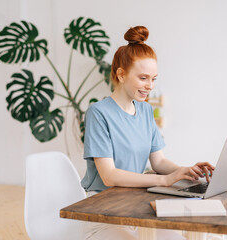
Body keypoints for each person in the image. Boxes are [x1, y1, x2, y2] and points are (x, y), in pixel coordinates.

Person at [81, 26, 215, 240]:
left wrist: (186, 171)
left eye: (153, 79)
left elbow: (158, 162)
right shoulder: (98, 113)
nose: (150, 85)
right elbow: (109, 176)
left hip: (136, 204)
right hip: (102, 210)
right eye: (143, 78)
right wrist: (165, 181)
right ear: (121, 74)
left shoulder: (145, 110)